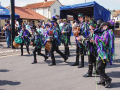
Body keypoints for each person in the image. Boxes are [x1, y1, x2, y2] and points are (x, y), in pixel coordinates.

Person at [91, 21, 115, 88]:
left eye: (102, 26)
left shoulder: (107, 33)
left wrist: (95, 37)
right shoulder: (107, 32)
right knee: (102, 67)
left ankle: (107, 79)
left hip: (103, 53)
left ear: (106, 26)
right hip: (103, 52)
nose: (102, 27)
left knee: (99, 68)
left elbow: (103, 42)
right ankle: (102, 80)